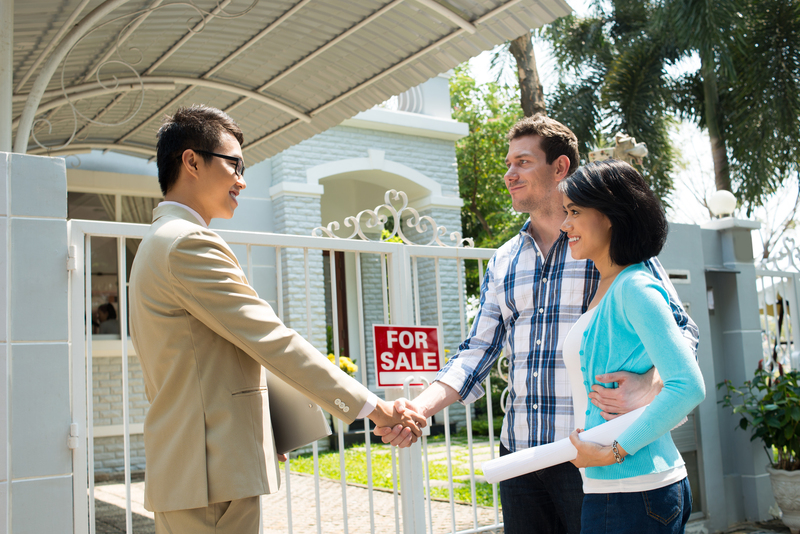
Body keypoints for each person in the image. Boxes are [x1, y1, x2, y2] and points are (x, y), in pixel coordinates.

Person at [375, 115, 699, 534]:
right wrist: (418, 408)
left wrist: (651, 383)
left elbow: (681, 333)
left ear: (561, 167)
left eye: (522, 162)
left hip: (588, 450)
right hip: (523, 458)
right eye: (508, 164)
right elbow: (477, 351)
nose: (509, 175)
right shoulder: (505, 258)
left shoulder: (605, 243)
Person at [128, 104, 425, 534]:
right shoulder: (188, 244)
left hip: (203, 469)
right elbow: (272, 340)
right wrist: (375, 408)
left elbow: (219, 355)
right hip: (209, 478)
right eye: (234, 164)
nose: (242, 180)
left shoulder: (162, 241)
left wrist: (263, 432)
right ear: (191, 161)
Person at [560, 159, 705, 533]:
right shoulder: (610, 285)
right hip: (619, 490)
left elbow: (688, 386)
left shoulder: (634, 287)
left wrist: (614, 452)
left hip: (634, 490)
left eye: (574, 212)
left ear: (610, 215)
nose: (565, 225)